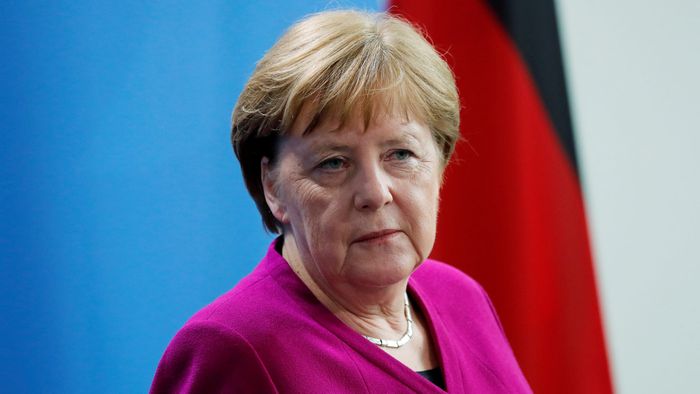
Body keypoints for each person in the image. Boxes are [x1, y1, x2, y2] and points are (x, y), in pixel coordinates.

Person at [150, 9, 531, 393]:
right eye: (333, 163)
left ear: (440, 162)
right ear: (273, 187)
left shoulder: (461, 299)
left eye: (400, 154)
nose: (375, 193)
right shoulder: (233, 347)